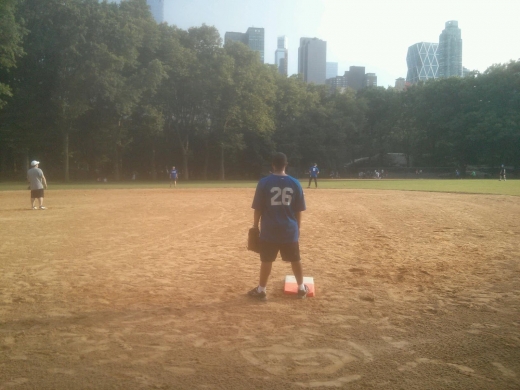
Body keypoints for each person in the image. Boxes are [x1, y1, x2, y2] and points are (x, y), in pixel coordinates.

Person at [248, 152, 308, 300]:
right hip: (289, 228)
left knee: (266, 260)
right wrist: (297, 229)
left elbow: (258, 209)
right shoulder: (295, 183)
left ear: (273, 165)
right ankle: (301, 288)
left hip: (269, 230)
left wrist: (255, 226)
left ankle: (262, 290)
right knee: (295, 259)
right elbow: (299, 210)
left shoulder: (264, 182)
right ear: (285, 165)